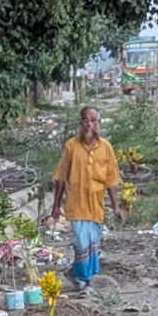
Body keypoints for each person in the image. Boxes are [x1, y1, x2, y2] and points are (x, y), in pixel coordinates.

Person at [49, 107, 124, 293]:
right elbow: (61, 177)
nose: (89, 124)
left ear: (98, 122)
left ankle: (77, 274)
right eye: (85, 120)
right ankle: (86, 281)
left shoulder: (106, 147)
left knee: (93, 245)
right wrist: (56, 206)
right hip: (76, 204)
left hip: (96, 206)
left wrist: (115, 207)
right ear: (80, 122)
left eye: (92, 120)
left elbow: (111, 180)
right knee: (82, 244)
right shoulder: (71, 146)